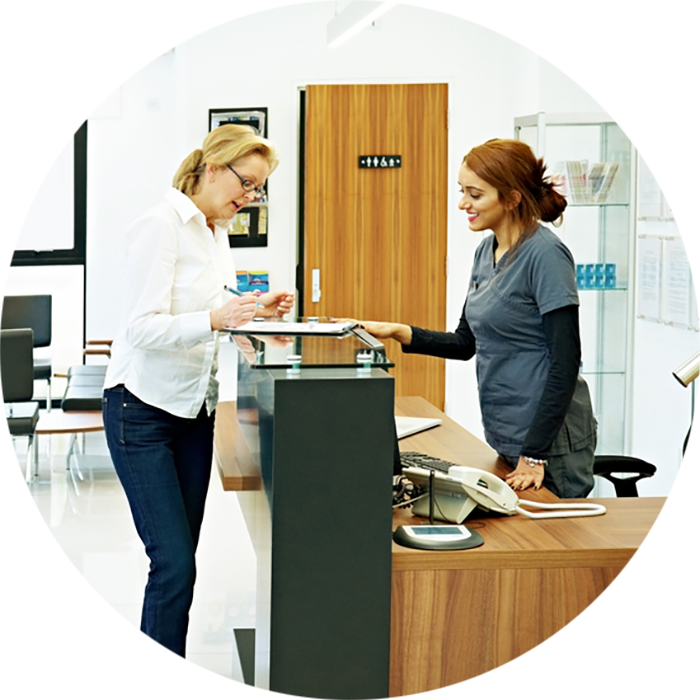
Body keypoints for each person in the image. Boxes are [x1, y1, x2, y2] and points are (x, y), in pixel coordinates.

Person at [102, 124, 294, 700]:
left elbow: (209, 311)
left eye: (258, 191)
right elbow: (140, 328)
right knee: (174, 568)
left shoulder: (215, 232)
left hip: (194, 411)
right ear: (214, 168)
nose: (250, 198)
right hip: (142, 412)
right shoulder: (160, 226)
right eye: (247, 184)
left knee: (179, 572)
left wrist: (251, 314)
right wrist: (218, 320)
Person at [357, 138, 596, 499]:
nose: (462, 203)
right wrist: (398, 331)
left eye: (475, 194)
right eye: (462, 191)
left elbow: (565, 362)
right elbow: (466, 342)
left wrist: (534, 454)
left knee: (551, 546)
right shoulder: (487, 249)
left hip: (548, 447)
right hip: (507, 433)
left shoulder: (545, 254)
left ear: (512, 198)